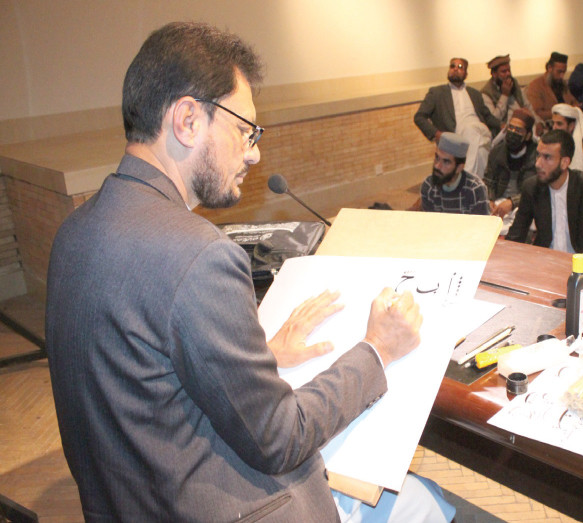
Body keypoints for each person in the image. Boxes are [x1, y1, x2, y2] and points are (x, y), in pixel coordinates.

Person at [45, 22, 454, 523]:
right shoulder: (200, 256)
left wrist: (256, 359)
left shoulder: (74, 231)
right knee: (426, 502)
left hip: (131, 502)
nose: (254, 152)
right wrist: (377, 350)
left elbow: (145, 377)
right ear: (188, 120)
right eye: (245, 130)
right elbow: (281, 440)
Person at [506, 129, 583, 260]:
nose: (538, 164)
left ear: (564, 162)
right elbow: (517, 234)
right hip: (546, 262)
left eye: (547, 157)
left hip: (582, 264)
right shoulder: (532, 187)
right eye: (538, 155)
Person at [414, 57, 502, 178]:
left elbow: (487, 116)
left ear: (466, 74)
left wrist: (502, 125)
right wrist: (436, 133)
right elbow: (419, 117)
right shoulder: (437, 93)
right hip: (456, 135)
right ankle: (478, 184)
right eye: (452, 66)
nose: (455, 69)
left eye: (460, 67)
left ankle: (464, 179)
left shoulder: (475, 94)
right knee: (480, 152)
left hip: (479, 129)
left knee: (473, 132)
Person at [484, 109, 537, 233]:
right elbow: (488, 181)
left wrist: (512, 203)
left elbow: (535, 190)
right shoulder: (496, 152)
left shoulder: (536, 157)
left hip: (523, 205)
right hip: (499, 203)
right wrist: (490, 200)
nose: (513, 133)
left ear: (528, 136)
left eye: (518, 130)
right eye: (511, 128)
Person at [420, 132, 491, 215]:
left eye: (446, 162)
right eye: (437, 158)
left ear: (459, 168)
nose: (437, 166)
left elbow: (482, 226)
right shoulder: (428, 186)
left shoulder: (475, 190)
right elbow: (429, 224)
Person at [480, 54, 534, 123]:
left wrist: (538, 122)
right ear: (494, 74)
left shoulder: (514, 83)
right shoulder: (486, 93)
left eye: (509, 70)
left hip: (524, 123)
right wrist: (504, 95)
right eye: (504, 71)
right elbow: (495, 119)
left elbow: (528, 106)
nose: (508, 74)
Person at [525, 51, 577, 122]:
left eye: (563, 72)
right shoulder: (535, 86)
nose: (562, 76)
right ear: (549, 68)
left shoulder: (562, 84)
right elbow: (536, 113)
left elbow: (573, 102)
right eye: (559, 72)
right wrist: (561, 113)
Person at [551, 103, 583, 172]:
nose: (554, 127)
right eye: (553, 123)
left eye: (559, 124)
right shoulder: (549, 143)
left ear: (571, 126)